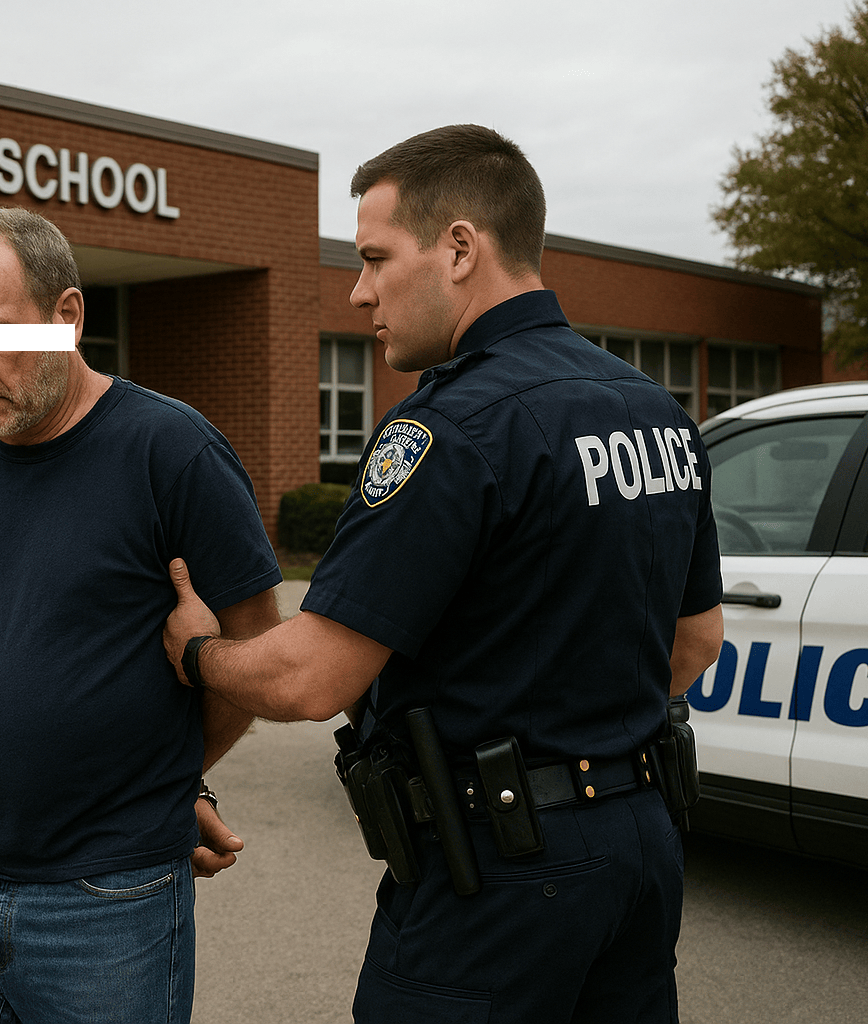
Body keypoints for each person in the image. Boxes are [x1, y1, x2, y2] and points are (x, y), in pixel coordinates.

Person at [162, 125, 724, 1023]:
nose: (359, 292)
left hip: (502, 874)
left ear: (460, 247)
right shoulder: (654, 410)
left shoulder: (451, 430)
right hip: (642, 848)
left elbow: (311, 679)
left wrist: (200, 653)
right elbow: (695, 643)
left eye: (376, 258)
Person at [0, 206, 281, 1024]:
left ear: (66, 316)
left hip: (111, 899)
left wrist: (162, 782)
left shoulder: (172, 452)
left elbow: (255, 649)